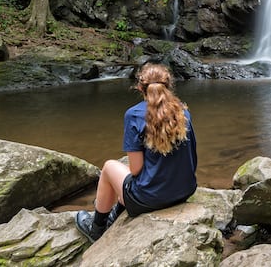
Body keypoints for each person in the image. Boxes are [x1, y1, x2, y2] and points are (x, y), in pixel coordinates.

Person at [75, 62, 198, 242]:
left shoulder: (134, 115)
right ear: (169, 84)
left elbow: (135, 170)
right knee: (130, 173)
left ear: (140, 87)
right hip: (185, 190)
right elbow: (191, 157)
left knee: (110, 167)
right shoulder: (183, 112)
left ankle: (97, 229)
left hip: (151, 200)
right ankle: (117, 212)